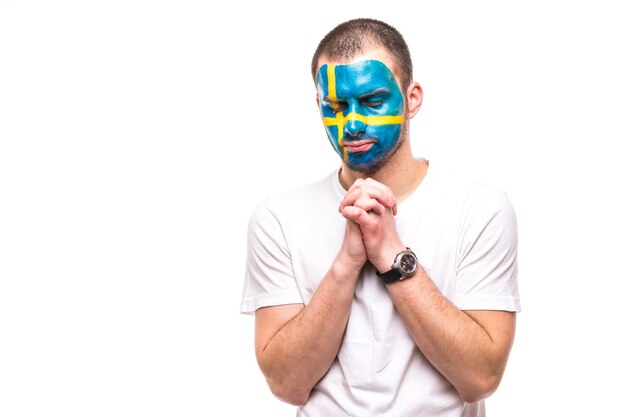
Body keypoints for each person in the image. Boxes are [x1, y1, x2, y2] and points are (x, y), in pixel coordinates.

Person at [240, 17, 520, 417]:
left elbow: (480, 378)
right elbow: (286, 385)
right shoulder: (277, 218)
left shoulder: (481, 209)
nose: (352, 124)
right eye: (337, 106)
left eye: (372, 101)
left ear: (412, 98)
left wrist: (393, 255)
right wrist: (346, 264)